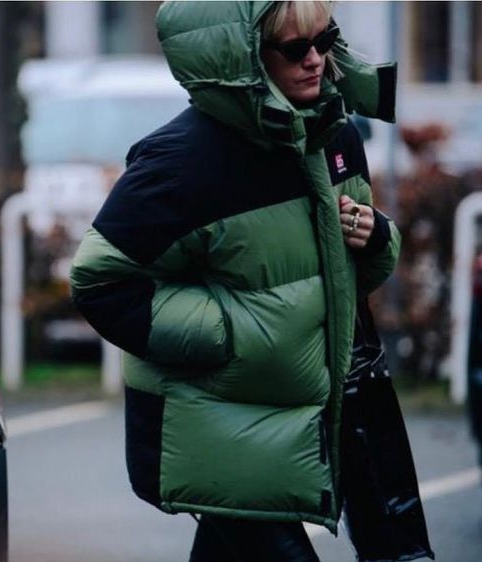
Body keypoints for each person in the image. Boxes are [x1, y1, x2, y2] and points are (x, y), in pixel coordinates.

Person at [70, 1, 400, 560]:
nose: (316, 60)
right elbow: (102, 282)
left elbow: (347, 281)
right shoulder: (182, 160)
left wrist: (376, 237)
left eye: (325, 39)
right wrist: (228, 332)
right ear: (242, 56)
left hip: (309, 419)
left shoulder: (334, 135)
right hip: (222, 428)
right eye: (295, 49)